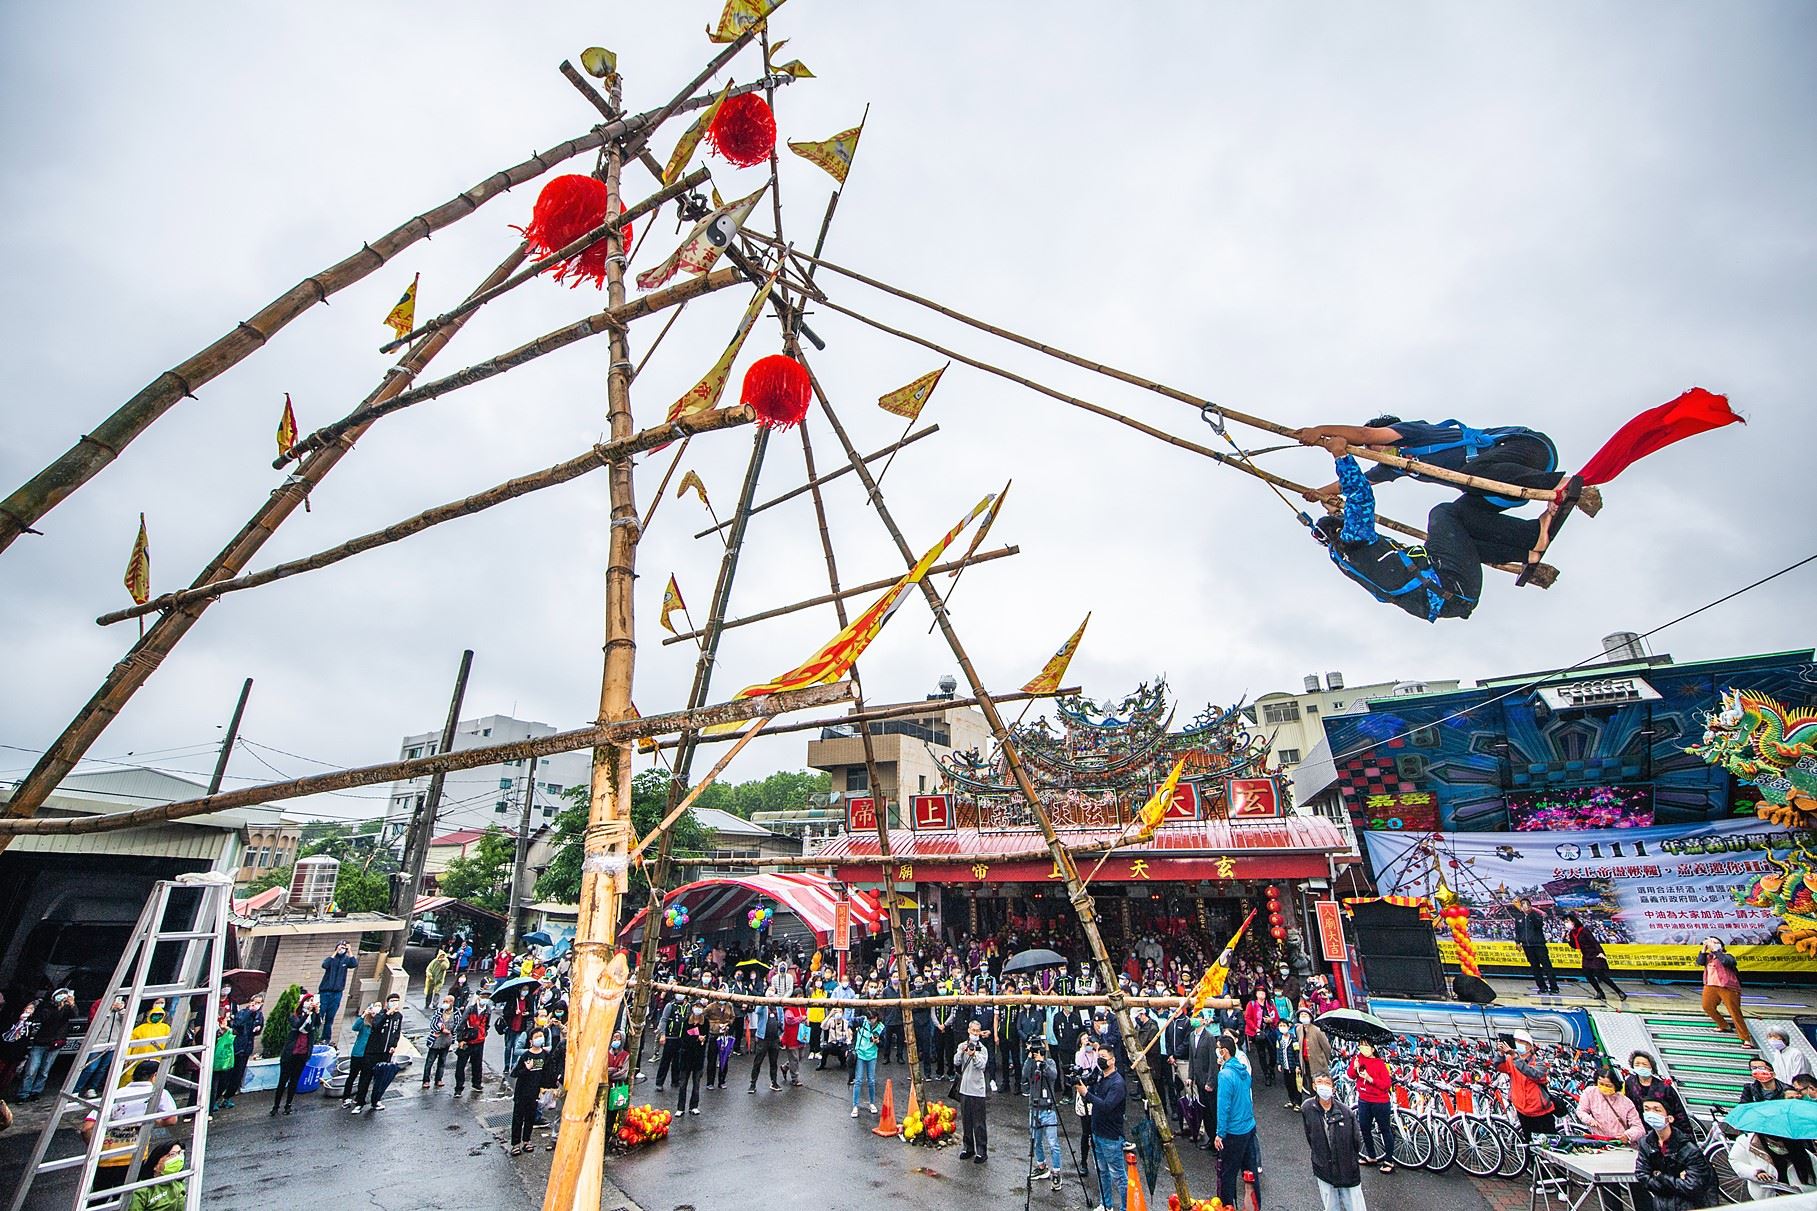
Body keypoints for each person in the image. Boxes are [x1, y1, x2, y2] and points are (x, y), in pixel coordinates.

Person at [82, 1060, 178, 1192]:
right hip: (135, 1157)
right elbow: (172, 1119)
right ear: (155, 1075)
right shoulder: (158, 1093)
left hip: (106, 1158)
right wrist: (156, 1121)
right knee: (127, 1198)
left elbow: (87, 1128)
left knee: (98, 1198)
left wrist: (94, 1146)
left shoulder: (115, 1094)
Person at [1302, 1070, 1368, 1211]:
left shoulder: (1345, 1112)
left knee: (1355, 1205)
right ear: (1313, 1086)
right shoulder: (1307, 1108)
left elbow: (1356, 1141)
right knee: (1331, 1205)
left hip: (1347, 1168)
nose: (1323, 1086)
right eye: (1319, 1082)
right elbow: (1310, 1136)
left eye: (1327, 1083)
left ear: (1333, 1088)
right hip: (1323, 1167)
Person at [1634, 1096, 1715, 1211]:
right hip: (1661, 1205)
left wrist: (1659, 1176)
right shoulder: (1646, 1143)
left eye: (1657, 1110)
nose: (1651, 1114)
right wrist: (1676, 1179)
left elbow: (1692, 1186)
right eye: (1647, 1109)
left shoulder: (1688, 1149)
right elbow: (1642, 1175)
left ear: (1670, 1118)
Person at [1080, 1043, 1128, 1211]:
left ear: (1113, 1060)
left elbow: (1107, 1106)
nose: (1100, 1060)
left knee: (1119, 1176)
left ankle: (1125, 1207)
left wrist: (1087, 1093)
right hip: (1097, 1132)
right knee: (1102, 1172)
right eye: (1098, 1057)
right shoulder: (1099, 1077)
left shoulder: (1117, 1083)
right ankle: (1105, 1204)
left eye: (1104, 1058)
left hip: (1111, 1136)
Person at [1215, 1033, 1260, 1206]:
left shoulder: (1225, 1075)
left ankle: (1228, 1206)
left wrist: (1220, 1133)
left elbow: (1223, 1107)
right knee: (1250, 1173)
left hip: (1234, 1132)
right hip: (1248, 1126)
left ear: (1224, 1051)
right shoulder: (1242, 1069)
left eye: (1218, 1049)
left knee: (1228, 1175)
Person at [14, 988, 75, 1102]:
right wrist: (55, 1006)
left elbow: (74, 1014)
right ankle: (23, 1094)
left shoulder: (67, 1010)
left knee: (44, 1071)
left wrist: (71, 1004)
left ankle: (35, 1092)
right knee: (31, 1069)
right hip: (41, 1042)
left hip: (55, 1043)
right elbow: (43, 1018)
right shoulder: (48, 1008)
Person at [1347, 1037, 1396, 1172]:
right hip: (1363, 1099)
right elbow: (1350, 1075)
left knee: (1385, 1129)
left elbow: (1386, 1085)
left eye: (1366, 1045)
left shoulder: (1379, 1063)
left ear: (1373, 1049)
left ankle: (1389, 1160)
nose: (1363, 1048)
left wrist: (1370, 1079)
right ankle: (1371, 1155)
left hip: (1380, 1101)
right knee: (1364, 1128)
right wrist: (1355, 1068)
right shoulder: (1357, 1059)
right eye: (1361, 1045)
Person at [1499, 1030, 1557, 1141]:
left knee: (1549, 1143)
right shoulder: (1511, 1060)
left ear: (1529, 1046)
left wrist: (1515, 1057)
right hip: (1522, 1110)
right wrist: (1500, 1054)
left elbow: (1534, 1074)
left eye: (1521, 1042)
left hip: (1540, 1111)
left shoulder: (1539, 1063)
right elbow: (1498, 1066)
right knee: (1530, 1143)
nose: (1518, 1044)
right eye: (1516, 1042)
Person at [269, 992, 320, 1115]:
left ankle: (288, 1105)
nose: (310, 1003)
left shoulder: (312, 1017)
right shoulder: (295, 1016)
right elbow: (297, 1025)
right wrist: (306, 1014)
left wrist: (316, 1013)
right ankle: (276, 1106)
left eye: (312, 1000)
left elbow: (317, 1025)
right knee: (283, 1081)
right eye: (308, 1000)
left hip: (302, 1054)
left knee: (294, 1081)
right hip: (290, 1054)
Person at [1698, 937, 1753, 1047]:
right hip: (1710, 985)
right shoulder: (1708, 957)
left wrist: (1717, 951)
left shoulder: (1727, 956)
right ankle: (1724, 1025)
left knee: (1734, 1012)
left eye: (1715, 942)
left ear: (1721, 946)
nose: (1712, 944)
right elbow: (1700, 962)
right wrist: (1704, 949)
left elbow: (1726, 962)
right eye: (1710, 942)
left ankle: (1746, 1038)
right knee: (1707, 1006)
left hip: (1728, 987)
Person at [353, 993, 403, 1112]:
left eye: (397, 1001)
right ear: (387, 1003)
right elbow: (376, 1025)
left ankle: (375, 1101)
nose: (394, 1003)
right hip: (373, 1051)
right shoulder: (381, 1014)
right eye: (392, 1001)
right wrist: (387, 1013)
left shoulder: (399, 1016)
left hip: (386, 1052)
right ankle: (359, 1102)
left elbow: (397, 1032)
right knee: (366, 1076)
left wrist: (393, 1045)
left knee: (380, 1078)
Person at [1024, 1037, 1063, 1190]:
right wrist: (1029, 1058)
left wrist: (1043, 1062)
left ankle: (1057, 1173)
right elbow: (1025, 1074)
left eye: (1037, 1049)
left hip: (1048, 1109)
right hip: (1034, 1108)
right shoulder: (1031, 1063)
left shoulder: (1050, 1062)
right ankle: (1041, 1167)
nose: (1036, 1052)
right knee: (1035, 1140)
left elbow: (1053, 1076)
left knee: (1053, 1143)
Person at [1623, 1051, 1691, 1136]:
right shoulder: (1630, 1082)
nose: (1641, 1067)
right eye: (1637, 1064)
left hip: (1665, 1128)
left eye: (1644, 1064)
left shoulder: (1664, 1087)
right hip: (1642, 1128)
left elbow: (1679, 1112)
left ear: (1651, 1066)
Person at [1564, 913, 1628, 1002]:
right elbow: (1575, 946)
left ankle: (1620, 992)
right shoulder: (1571, 933)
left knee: (1600, 974)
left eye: (1568, 921)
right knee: (1587, 974)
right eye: (1565, 922)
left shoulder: (1584, 930)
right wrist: (1569, 941)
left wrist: (1601, 952)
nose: (1566, 923)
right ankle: (1599, 992)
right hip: (1586, 955)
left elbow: (1594, 942)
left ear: (1573, 921)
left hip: (1594, 954)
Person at [75, 995, 130, 1097]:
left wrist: (121, 1010)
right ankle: (76, 1089)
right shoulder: (100, 1004)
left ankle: (92, 1088)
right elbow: (94, 1021)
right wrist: (108, 1011)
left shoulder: (124, 1009)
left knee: (103, 1068)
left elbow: (126, 1023)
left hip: (113, 1043)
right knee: (91, 1067)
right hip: (98, 1042)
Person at [1574, 1066, 1643, 1142]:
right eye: (1601, 1084)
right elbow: (1581, 1110)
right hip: (1599, 1141)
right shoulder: (1590, 1093)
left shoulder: (1626, 1102)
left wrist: (1628, 1135)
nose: (1604, 1087)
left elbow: (1639, 1128)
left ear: (1616, 1085)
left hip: (1620, 1144)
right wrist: (1589, 1120)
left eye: (1608, 1086)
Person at [508, 1030, 549, 1156]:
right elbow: (514, 1073)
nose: (539, 1039)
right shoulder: (526, 1055)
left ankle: (527, 1141)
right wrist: (526, 1068)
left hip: (534, 1092)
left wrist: (545, 1088)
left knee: (530, 1118)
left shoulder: (545, 1055)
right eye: (536, 1037)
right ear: (530, 1041)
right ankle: (515, 1144)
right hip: (522, 1092)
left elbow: (546, 1073)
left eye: (541, 1036)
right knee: (518, 1118)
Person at [955, 1019, 991, 1163]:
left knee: (979, 1123)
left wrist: (974, 1055)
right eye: (973, 1031)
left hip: (978, 1090)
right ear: (969, 1031)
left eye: (977, 1031)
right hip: (964, 1089)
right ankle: (968, 1147)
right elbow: (956, 1062)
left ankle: (982, 1151)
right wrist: (962, 1052)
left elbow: (982, 1066)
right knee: (966, 1121)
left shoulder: (983, 1049)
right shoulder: (962, 1045)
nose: (975, 1033)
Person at [1512, 898, 1561, 996]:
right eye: (1523, 906)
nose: (1525, 908)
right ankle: (1542, 987)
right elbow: (1517, 931)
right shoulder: (1519, 918)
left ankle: (1554, 987)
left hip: (1539, 945)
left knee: (1547, 966)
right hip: (1527, 946)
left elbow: (1539, 925)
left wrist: (1531, 914)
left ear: (1530, 906)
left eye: (1527, 905)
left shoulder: (1536, 916)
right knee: (1535, 967)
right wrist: (1518, 942)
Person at [1188, 1011, 1221, 1148]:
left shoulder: (1209, 1037)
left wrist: (1211, 1081)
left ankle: (1216, 1140)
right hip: (1199, 1080)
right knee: (1205, 1112)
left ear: (1203, 1020)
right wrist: (1190, 1076)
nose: (1194, 1020)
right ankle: (1210, 1138)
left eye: (1197, 1017)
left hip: (1208, 1080)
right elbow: (1191, 1057)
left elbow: (1213, 1062)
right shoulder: (1191, 1035)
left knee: (1213, 1112)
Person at [317, 941, 359, 1043]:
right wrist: (335, 952)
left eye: (343, 948)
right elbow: (325, 965)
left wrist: (349, 950)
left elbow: (354, 964)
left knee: (330, 1018)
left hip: (337, 993)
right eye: (340, 948)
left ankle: (326, 1038)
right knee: (319, 1015)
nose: (341, 950)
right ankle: (315, 1036)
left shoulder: (346, 960)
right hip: (325, 992)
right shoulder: (331, 960)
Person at [127, 1141, 188, 1211]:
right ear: (155, 1165)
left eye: (180, 1153)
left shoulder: (178, 1181)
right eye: (172, 1155)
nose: (179, 1158)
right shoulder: (142, 1191)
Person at [226, 993, 263, 1107]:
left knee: (238, 1075)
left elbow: (258, 1028)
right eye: (255, 1002)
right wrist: (249, 1011)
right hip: (237, 1047)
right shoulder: (243, 1012)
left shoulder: (259, 1016)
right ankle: (218, 1097)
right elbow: (238, 1022)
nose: (256, 1005)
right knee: (228, 1074)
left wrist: (258, 1028)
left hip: (246, 1048)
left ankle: (228, 1097)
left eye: (259, 1003)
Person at [340, 1003, 378, 1108]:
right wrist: (363, 1015)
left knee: (364, 1078)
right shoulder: (364, 1023)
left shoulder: (378, 1024)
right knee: (352, 1075)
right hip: (358, 1053)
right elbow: (355, 1027)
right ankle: (346, 1097)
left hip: (368, 1055)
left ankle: (359, 1098)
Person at [675, 1003, 707, 1114]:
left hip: (698, 1057)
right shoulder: (686, 1021)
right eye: (696, 1007)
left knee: (696, 1083)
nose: (698, 1010)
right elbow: (684, 1037)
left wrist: (702, 1039)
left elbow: (706, 1036)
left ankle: (694, 1106)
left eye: (700, 1007)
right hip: (686, 1056)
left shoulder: (705, 1022)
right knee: (683, 1083)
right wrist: (696, 1038)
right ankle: (680, 1108)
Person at [421, 993, 457, 1090]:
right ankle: (426, 1080)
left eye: (447, 1002)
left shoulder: (456, 1013)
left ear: (452, 1003)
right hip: (435, 1041)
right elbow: (433, 1024)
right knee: (430, 1061)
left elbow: (457, 1026)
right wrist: (440, 1029)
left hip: (446, 1041)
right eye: (444, 1001)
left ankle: (439, 1079)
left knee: (442, 1061)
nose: (445, 1003)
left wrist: (451, 1033)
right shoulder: (439, 1012)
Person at [747, 1002, 783, 1094]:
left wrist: (782, 1033)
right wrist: (764, 1002)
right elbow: (757, 1011)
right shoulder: (762, 1006)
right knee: (757, 1062)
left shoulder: (778, 1007)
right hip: (763, 1038)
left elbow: (782, 1019)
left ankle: (774, 1082)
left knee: (774, 1062)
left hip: (775, 1038)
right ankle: (753, 1084)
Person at [851, 1009, 881, 1117]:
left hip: (872, 1055)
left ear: (876, 1018)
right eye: (868, 1019)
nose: (870, 1021)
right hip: (860, 1053)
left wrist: (878, 1042)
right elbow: (851, 1022)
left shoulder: (881, 1027)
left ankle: (872, 1103)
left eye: (872, 1019)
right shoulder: (862, 1020)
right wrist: (850, 1030)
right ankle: (855, 1106)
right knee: (858, 1080)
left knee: (871, 1081)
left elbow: (884, 1043)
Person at [454, 999, 488, 1096]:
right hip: (467, 1041)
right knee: (461, 1066)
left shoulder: (487, 1011)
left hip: (479, 1041)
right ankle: (458, 1088)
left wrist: (483, 1034)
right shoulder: (470, 1009)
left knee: (477, 1064)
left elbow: (487, 1025)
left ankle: (477, 1083)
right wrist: (460, 1039)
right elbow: (462, 1023)